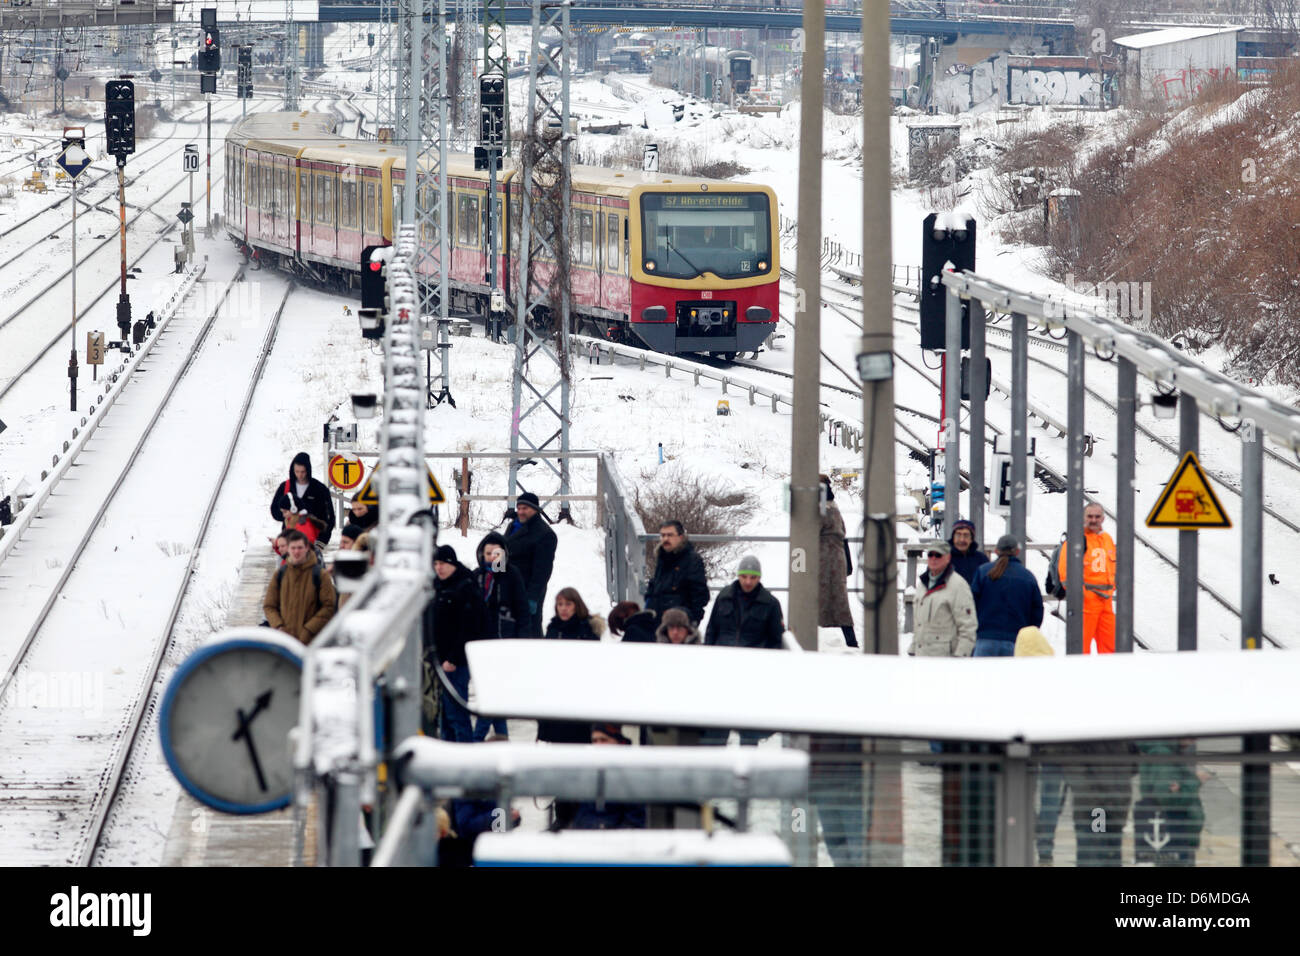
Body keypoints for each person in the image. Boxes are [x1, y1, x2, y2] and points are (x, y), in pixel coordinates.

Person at [1014, 625, 1068, 865]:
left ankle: (1026, 837)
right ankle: (1046, 846)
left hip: (1023, 752)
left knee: (1023, 796)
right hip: (1054, 751)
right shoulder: (1056, 678)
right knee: (1050, 800)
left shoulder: (1015, 679)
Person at [471, 531, 529, 741]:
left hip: (504, 641)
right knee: (491, 692)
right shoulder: (476, 576)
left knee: (493, 694)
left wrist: (521, 641)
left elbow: (522, 610)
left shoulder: (511, 575)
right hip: (480, 644)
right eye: (488, 553)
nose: (493, 557)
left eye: (497, 553)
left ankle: (477, 738)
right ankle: (502, 736)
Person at [423, 544, 484, 743]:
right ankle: (448, 752)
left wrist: (453, 658)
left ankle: (465, 754)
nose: (439, 568)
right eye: (436, 564)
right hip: (440, 659)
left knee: (457, 714)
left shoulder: (464, 587)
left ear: (453, 564)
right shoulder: (439, 585)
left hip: (455, 662)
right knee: (444, 716)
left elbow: (469, 627)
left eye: (443, 564)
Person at [537, 588, 606, 745]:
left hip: (580, 693)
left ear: (577, 605)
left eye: (568, 604)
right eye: (560, 604)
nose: (563, 608)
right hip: (556, 692)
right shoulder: (553, 629)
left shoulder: (587, 629)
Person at [562, 724, 648, 831]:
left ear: (617, 742)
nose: (598, 745)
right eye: (595, 741)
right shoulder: (586, 770)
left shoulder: (630, 774)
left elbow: (634, 821)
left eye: (604, 740)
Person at [1056, 502, 1117, 654]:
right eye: (1090, 516)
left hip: (1106, 602)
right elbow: (1065, 573)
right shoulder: (1076, 540)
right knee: (1081, 648)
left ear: (1103, 518)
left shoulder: (1107, 539)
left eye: (1097, 516)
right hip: (1086, 603)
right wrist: (1081, 595)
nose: (1093, 520)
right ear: (1083, 517)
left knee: (1111, 648)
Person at [970, 534, 1044, 657]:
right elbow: (1037, 611)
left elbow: (971, 604)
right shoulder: (1027, 577)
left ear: (996, 551)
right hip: (1016, 642)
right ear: (1017, 552)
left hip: (985, 639)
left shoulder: (983, 572)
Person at [1134, 739, 1204, 866]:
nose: (1194, 741)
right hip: (1175, 831)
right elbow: (1168, 798)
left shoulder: (1171, 752)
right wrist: (1195, 781)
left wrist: (1182, 786)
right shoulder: (1163, 754)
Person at [262, 529, 338, 644]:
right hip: (286, 643)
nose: (296, 552)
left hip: (313, 642)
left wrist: (309, 629)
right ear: (288, 549)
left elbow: (329, 606)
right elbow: (269, 605)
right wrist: (279, 626)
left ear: (307, 548)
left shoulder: (320, 575)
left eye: (300, 548)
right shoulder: (280, 574)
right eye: (293, 548)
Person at [908, 540, 977, 657]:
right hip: (921, 659)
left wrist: (960, 657)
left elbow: (968, 627)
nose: (933, 558)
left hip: (946, 662)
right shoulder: (922, 585)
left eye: (938, 555)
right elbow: (918, 624)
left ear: (948, 558)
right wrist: (913, 650)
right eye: (930, 555)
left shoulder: (958, 586)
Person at [503, 492, 558, 637]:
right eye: (519, 508)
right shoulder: (513, 526)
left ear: (535, 509)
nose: (520, 512)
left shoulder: (545, 534)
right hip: (507, 586)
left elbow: (542, 570)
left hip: (526, 590)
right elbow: (501, 552)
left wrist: (532, 597)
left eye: (525, 508)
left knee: (529, 629)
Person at [703, 555, 785, 650]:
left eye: (753, 577)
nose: (748, 582)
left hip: (754, 659)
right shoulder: (724, 597)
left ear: (759, 578)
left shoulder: (770, 603)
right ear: (738, 576)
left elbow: (775, 640)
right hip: (723, 655)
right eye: (744, 576)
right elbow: (712, 629)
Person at [644, 520, 710, 626]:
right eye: (663, 535)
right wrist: (648, 603)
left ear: (681, 537)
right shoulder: (662, 556)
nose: (665, 539)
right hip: (656, 615)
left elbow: (700, 595)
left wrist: (692, 621)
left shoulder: (692, 560)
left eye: (670, 535)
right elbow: (656, 584)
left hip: (679, 620)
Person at [819, 475, 859, 648]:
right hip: (837, 558)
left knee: (815, 598)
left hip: (826, 559)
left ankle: (800, 636)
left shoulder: (822, 509)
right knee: (839, 601)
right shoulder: (832, 507)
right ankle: (851, 642)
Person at [270, 452, 337, 546]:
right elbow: (274, 510)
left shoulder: (320, 489)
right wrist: (288, 515)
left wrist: (322, 541)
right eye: (296, 471)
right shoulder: (285, 487)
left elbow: (329, 517)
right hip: (289, 540)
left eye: (303, 472)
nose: (299, 475)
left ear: (308, 470)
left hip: (313, 541)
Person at [948, 518, 989, 586]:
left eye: (966, 535)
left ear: (971, 539)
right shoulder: (943, 558)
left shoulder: (981, 559)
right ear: (953, 537)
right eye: (958, 535)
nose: (962, 540)